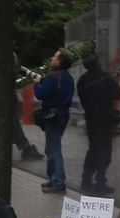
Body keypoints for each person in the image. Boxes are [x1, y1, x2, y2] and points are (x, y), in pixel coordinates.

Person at [77, 55, 120, 195]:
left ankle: (87, 179)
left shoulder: (82, 80)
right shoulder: (105, 77)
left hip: (92, 119)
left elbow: (84, 99)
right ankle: (100, 181)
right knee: (105, 151)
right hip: (105, 120)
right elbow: (118, 93)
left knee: (93, 150)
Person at [32, 48, 76, 193]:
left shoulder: (52, 76)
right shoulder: (68, 77)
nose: (52, 57)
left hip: (52, 115)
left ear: (59, 61)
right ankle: (53, 179)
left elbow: (41, 94)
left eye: (55, 56)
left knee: (53, 149)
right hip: (63, 115)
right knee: (51, 147)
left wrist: (37, 83)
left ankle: (58, 181)